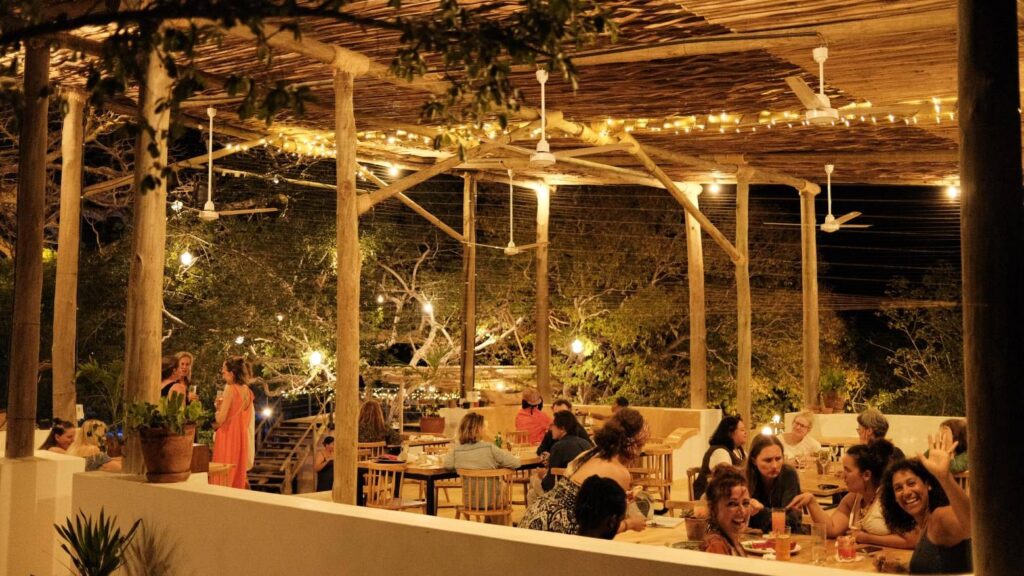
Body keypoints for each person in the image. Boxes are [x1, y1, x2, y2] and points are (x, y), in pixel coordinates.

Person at [519, 407, 648, 535]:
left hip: (536, 515)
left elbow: (587, 498)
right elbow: (600, 529)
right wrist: (630, 524)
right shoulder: (620, 472)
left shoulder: (589, 454)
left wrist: (619, 498)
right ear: (634, 445)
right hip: (558, 528)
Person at [789, 439, 914, 548]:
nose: (842, 475)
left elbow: (912, 540)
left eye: (847, 470)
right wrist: (812, 502)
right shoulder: (852, 498)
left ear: (866, 475)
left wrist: (866, 538)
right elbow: (831, 529)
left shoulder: (889, 499)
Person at [875, 436, 972, 574]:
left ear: (928, 485)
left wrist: (945, 478)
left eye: (911, 483)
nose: (906, 492)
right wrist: (902, 569)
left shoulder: (939, 519)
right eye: (898, 488)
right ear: (894, 499)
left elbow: (972, 524)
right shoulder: (924, 526)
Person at [443, 413, 520, 511]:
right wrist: (495, 464)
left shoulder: (457, 450)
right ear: (478, 430)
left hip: (470, 502)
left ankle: (488, 524)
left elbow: (447, 465)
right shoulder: (490, 448)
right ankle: (501, 526)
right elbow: (516, 463)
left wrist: (466, 466)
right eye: (484, 426)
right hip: (494, 502)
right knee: (502, 486)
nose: (486, 429)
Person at [212, 356, 255, 489]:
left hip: (228, 436)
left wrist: (217, 410)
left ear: (232, 373)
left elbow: (221, 419)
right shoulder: (248, 392)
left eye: (224, 369)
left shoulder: (229, 388)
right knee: (236, 476)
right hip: (241, 438)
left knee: (223, 475)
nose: (222, 372)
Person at [746, 433, 803, 534]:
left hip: (784, 538)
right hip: (750, 539)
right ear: (754, 461)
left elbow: (792, 521)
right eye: (768, 460)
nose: (774, 465)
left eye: (778, 459)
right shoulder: (744, 478)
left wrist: (762, 511)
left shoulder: (789, 474)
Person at [700, 465, 751, 556]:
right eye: (732, 504)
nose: (742, 510)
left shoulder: (732, 540)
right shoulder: (716, 547)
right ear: (713, 509)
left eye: (746, 503)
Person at [693, 415, 748, 500]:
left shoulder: (739, 451)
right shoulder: (720, 452)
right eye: (742, 430)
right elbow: (724, 479)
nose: (745, 432)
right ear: (730, 433)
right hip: (712, 496)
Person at [538, 411, 593, 492]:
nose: (550, 428)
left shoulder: (558, 447)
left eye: (553, 425)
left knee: (534, 480)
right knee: (532, 493)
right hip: (585, 491)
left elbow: (549, 484)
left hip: (565, 493)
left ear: (562, 429)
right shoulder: (586, 443)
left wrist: (543, 475)